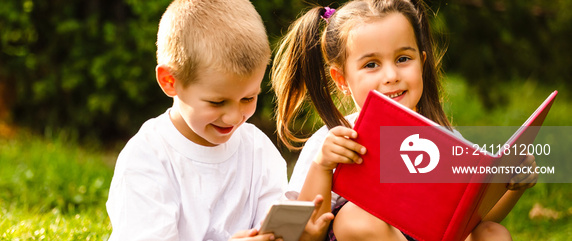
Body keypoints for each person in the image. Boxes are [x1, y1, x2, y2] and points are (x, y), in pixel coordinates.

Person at [271, 0, 538, 240]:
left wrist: (513, 186)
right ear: (341, 79)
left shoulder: (443, 140)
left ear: (421, 62)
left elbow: (468, 222)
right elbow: (303, 233)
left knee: (493, 233)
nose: (391, 75)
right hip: (360, 234)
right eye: (371, 64)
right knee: (358, 218)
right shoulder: (334, 141)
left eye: (403, 59)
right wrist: (322, 166)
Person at [106, 0, 332, 240]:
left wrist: (296, 236)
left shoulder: (257, 150)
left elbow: (271, 229)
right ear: (170, 81)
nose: (235, 117)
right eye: (216, 102)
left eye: (248, 98)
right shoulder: (148, 157)